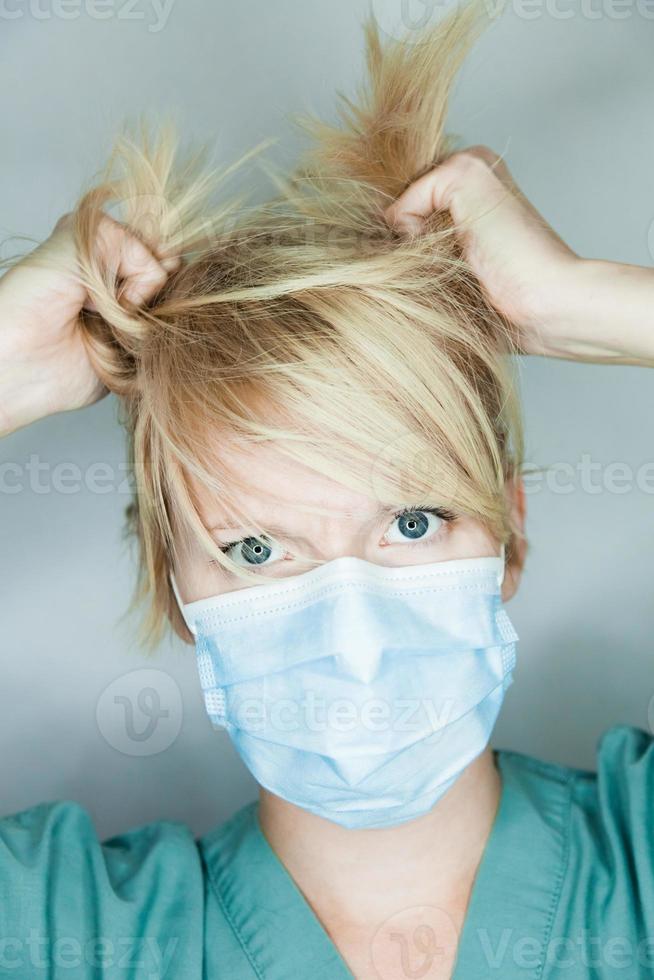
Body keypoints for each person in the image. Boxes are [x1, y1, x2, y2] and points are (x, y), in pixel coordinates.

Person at [1, 3, 653, 977]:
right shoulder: (58, 929)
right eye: (255, 547)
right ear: (171, 580)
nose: (353, 639)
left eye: (413, 520)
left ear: (510, 530)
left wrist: (585, 298)